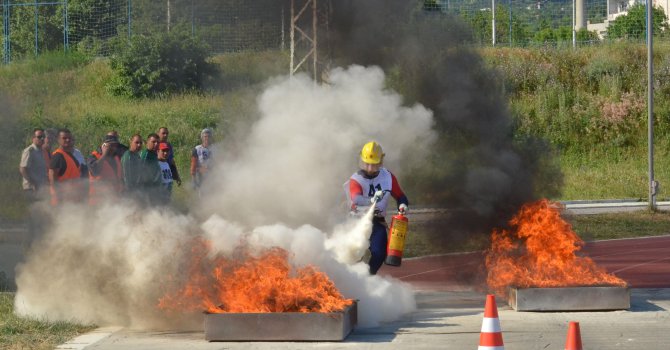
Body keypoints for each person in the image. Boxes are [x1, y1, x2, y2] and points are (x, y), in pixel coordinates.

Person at [348, 141, 409, 275]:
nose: (370, 168)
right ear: (361, 161)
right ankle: (350, 279)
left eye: (374, 164)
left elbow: (400, 195)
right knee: (355, 254)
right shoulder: (356, 179)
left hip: (377, 222)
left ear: (380, 162)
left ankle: (368, 278)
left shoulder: (388, 177)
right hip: (357, 221)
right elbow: (356, 198)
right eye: (367, 164)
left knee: (379, 253)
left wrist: (403, 205)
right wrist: (371, 200)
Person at [49, 128, 85, 205]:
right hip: (63, 201)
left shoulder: (70, 155)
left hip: (73, 199)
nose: (67, 140)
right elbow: (52, 177)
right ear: (58, 140)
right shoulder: (58, 156)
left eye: (69, 138)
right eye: (64, 138)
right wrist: (58, 197)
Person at [87, 134, 123, 205]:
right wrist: (104, 155)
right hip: (97, 202)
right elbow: (95, 171)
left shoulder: (116, 158)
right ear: (104, 145)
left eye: (115, 146)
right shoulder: (94, 156)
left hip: (113, 200)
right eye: (111, 145)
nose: (114, 148)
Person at [19, 128, 49, 199]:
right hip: (31, 188)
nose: (42, 139)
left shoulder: (41, 151)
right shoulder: (29, 151)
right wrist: (32, 184)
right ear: (33, 138)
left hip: (41, 187)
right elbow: (23, 169)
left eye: (43, 137)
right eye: (39, 137)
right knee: (34, 209)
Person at [139, 133, 163, 203]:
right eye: (153, 142)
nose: (156, 144)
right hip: (147, 189)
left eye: (157, 142)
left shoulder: (154, 154)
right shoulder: (145, 154)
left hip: (155, 188)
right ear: (147, 142)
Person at [190, 128, 213, 193]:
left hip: (213, 175)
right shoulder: (197, 149)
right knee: (203, 195)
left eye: (209, 136)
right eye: (205, 136)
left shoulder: (215, 148)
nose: (207, 138)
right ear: (202, 137)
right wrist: (193, 180)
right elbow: (193, 165)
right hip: (201, 176)